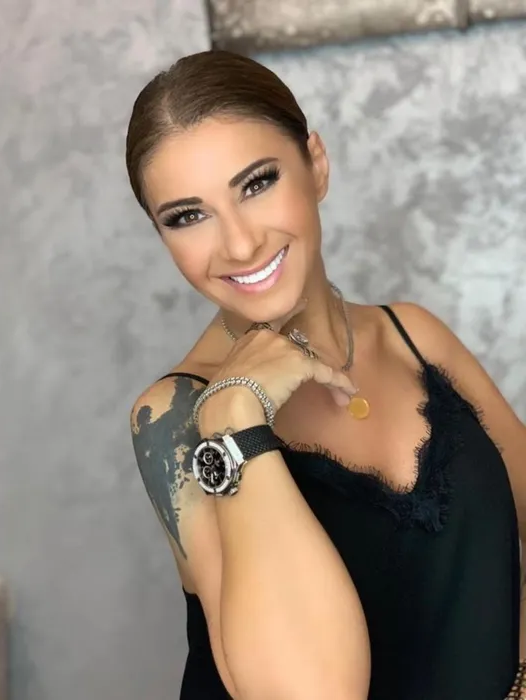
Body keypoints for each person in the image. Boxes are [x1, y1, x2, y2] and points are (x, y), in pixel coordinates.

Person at [126, 50, 526, 699]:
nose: (239, 244)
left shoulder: (412, 336)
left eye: (256, 183)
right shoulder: (173, 417)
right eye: (188, 216)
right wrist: (235, 414)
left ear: (315, 164)